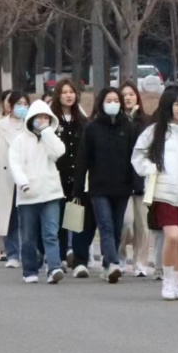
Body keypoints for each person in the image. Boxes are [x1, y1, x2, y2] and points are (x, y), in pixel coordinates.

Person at [133, 85, 178, 301]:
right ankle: (167, 281)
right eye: (176, 104)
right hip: (164, 193)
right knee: (172, 237)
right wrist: (152, 169)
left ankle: (177, 282)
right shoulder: (154, 132)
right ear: (167, 105)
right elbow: (138, 156)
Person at [78, 86, 138, 282]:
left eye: (116, 101)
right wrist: (78, 186)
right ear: (101, 104)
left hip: (122, 186)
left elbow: (135, 156)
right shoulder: (92, 128)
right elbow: (83, 159)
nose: (113, 104)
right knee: (106, 225)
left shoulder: (128, 127)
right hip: (99, 186)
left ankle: (107, 264)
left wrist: (136, 182)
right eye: (109, 101)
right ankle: (113, 262)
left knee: (118, 226)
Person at [10, 100, 67, 283]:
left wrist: (47, 133)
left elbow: (59, 152)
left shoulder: (50, 139)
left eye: (46, 117)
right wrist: (23, 183)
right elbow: (15, 164)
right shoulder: (19, 141)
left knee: (51, 233)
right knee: (28, 236)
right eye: (39, 117)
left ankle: (54, 267)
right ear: (31, 118)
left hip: (51, 193)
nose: (42, 120)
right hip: (28, 196)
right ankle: (30, 270)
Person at [50, 80, 95, 275]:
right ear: (58, 95)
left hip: (78, 178)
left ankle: (79, 260)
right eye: (64, 92)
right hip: (56, 178)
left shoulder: (83, 122)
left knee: (78, 220)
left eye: (71, 92)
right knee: (59, 220)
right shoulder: (52, 121)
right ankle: (59, 257)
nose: (68, 95)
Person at [0, 91, 28, 267]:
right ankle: (12, 254)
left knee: (26, 216)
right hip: (4, 177)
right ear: (10, 106)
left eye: (25, 104)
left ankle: (27, 252)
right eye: (18, 104)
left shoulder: (31, 125)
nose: (22, 107)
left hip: (27, 176)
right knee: (9, 217)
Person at [120, 82, 155, 277]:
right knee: (126, 223)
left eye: (131, 94)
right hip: (122, 180)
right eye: (124, 95)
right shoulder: (116, 121)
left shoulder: (146, 121)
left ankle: (141, 263)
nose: (127, 98)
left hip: (142, 180)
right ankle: (120, 256)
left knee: (143, 226)